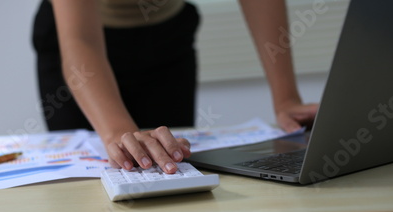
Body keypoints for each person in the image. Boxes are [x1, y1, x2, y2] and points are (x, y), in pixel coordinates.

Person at [32, 0, 317, 174]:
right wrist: (119, 132)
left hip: (167, 38)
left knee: (171, 171)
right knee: (94, 187)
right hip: (79, 44)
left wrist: (286, 99)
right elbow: (82, 39)